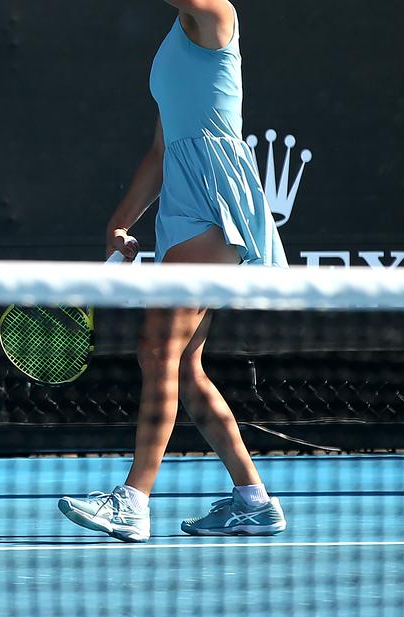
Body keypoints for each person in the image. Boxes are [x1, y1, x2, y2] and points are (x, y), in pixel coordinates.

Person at [58, 0, 287, 543]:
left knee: (159, 349)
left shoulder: (214, 15)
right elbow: (162, 148)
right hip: (181, 206)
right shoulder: (173, 43)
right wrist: (120, 220)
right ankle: (252, 498)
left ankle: (133, 500)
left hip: (213, 204)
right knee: (179, 364)